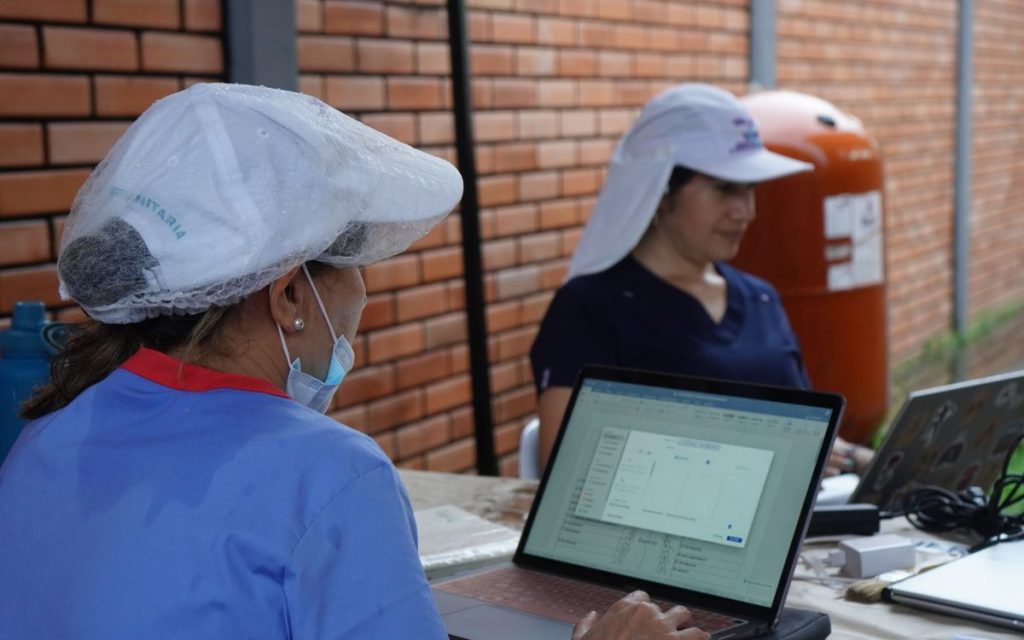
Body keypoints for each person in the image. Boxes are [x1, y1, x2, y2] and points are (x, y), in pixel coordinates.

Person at [0, 84, 708, 640]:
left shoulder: (45, 437)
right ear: (288, 297)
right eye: (355, 268)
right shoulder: (329, 474)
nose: (362, 296)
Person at [530, 83, 873, 474]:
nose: (746, 211)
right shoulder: (590, 309)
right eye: (725, 189)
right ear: (659, 191)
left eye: (751, 190)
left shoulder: (760, 298)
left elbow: (806, 433)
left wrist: (865, 462)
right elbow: (565, 467)